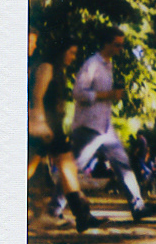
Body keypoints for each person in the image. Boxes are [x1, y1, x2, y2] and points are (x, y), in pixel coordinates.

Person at [69, 26, 156, 222]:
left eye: (122, 45)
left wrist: (114, 96)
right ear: (107, 44)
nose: (121, 48)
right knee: (73, 168)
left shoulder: (108, 65)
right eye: (117, 44)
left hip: (104, 126)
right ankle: (53, 209)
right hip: (88, 127)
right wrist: (107, 95)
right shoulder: (92, 64)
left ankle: (138, 206)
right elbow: (78, 93)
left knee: (122, 164)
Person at [28, 37, 105, 232]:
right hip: (44, 126)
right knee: (35, 168)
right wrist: (39, 122)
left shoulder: (58, 70)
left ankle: (82, 215)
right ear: (61, 51)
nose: (73, 56)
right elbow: (36, 96)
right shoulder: (46, 67)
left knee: (66, 167)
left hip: (53, 127)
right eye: (70, 52)